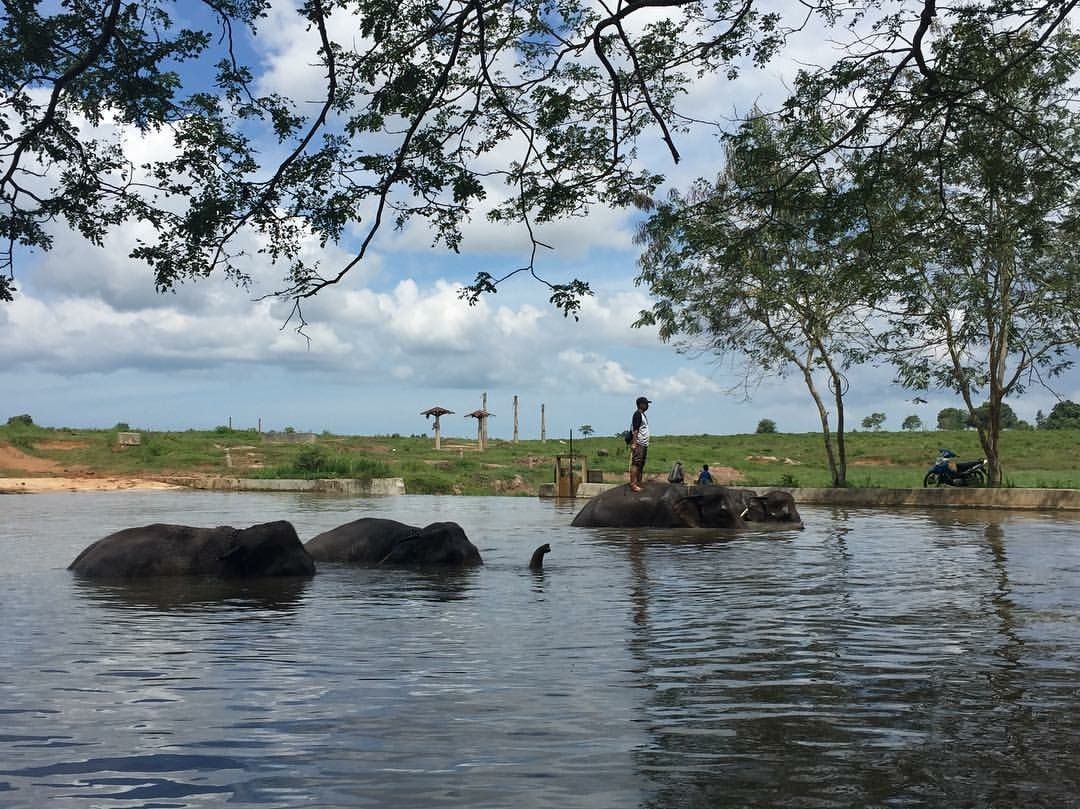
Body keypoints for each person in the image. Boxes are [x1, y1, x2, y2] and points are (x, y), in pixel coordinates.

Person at [629, 396, 650, 492]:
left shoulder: (643, 415)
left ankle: (639, 482)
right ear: (641, 404)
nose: (647, 406)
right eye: (646, 404)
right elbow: (635, 430)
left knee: (641, 464)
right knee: (636, 463)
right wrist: (634, 443)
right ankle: (633, 484)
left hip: (644, 444)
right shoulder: (637, 414)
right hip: (639, 443)